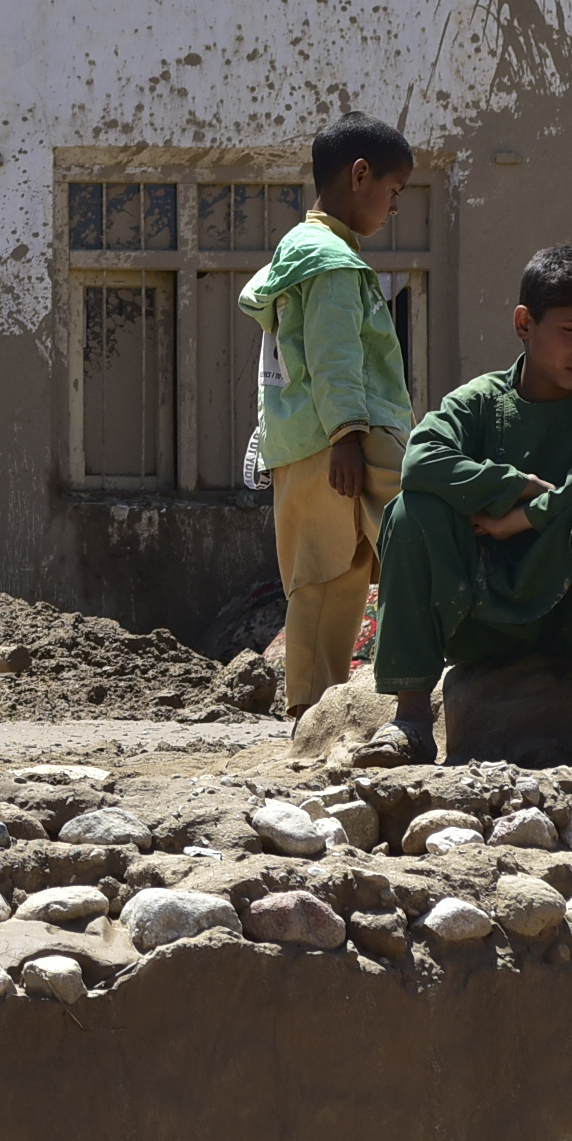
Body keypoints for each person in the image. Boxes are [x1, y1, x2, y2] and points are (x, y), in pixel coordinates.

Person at [357, 243, 572, 773]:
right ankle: (410, 723)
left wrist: (529, 516)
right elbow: (421, 462)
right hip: (486, 619)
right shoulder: (477, 403)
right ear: (525, 323)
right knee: (412, 512)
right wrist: (514, 484)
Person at [239, 114, 418, 720]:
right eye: (394, 192)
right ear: (360, 175)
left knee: (332, 575)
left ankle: (316, 707)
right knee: (416, 547)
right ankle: (366, 700)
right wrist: (346, 436)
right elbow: (334, 356)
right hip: (348, 441)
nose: (395, 208)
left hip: (303, 444)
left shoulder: (300, 253)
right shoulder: (332, 261)